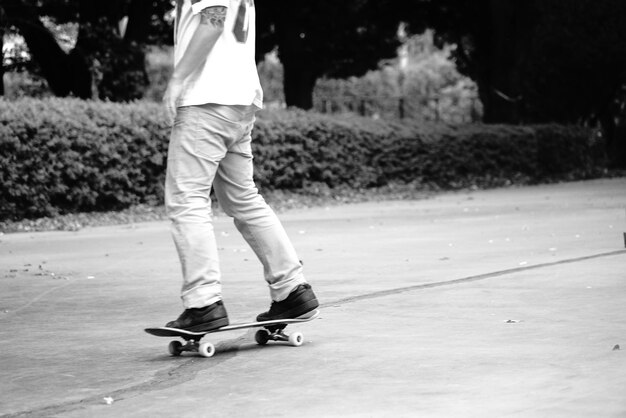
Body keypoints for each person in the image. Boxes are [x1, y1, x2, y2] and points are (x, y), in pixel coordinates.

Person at [162, 0, 319, 332]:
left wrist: (176, 81)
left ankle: (203, 303)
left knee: (187, 199)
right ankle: (292, 290)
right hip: (237, 100)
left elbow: (213, 21)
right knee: (243, 198)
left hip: (207, 98)